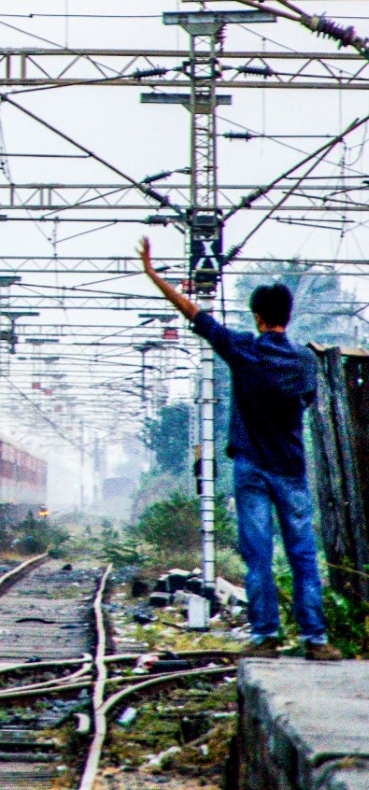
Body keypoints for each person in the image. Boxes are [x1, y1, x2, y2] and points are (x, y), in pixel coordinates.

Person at [138, 238, 339, 659]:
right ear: (288, 316)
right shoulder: (304, 362)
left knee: (258, 554)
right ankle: (315, 640)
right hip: (290, 469)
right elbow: (304, 399)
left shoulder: (242, 349)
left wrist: (155, 275)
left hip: (250, 470)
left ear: (258, 317)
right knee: (303, 554)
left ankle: (266, 636)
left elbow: (197, 315)